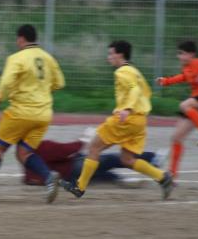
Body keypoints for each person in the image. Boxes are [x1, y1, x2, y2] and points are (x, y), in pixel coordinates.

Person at [0, 24, 65, 203]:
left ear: (21, 38)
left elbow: (6, 81)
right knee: (24, 153)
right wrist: (41, 90)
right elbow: (59, 83)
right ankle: (48, 177)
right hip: (44, 114)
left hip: (21, 112)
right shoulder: (48, 58)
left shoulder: (17, 58)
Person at [60, 40, 174, 200]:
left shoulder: (122, 72)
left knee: (94, 148)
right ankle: (162, 177)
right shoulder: (134, 71)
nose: (109, 57)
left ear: (120, 54)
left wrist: (127, 108)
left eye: (111, 53)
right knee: (127, 160)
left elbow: (134, 90)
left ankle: (79, 187)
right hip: (140, 121)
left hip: (126, 119)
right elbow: (145, 92)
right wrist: (135, 109)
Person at [155, 41, 198, 178]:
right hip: (197, 102)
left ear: (191, 54)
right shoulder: (187, 69)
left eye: (181, 53)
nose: (178, 56)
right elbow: (182, 77)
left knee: (184, 105)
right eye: (178, 53)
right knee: (176, 138)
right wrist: (165, 81)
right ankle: (172, 175)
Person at [23, 133, 168, 187]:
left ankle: (121, 181)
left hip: (69, 179)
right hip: (74, 167)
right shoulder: (41, 146)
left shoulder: (26, 158)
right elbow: (65, 151)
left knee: (101, 174)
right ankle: (153, 159)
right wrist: (83, 140)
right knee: (113, 159)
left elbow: (30, 179)